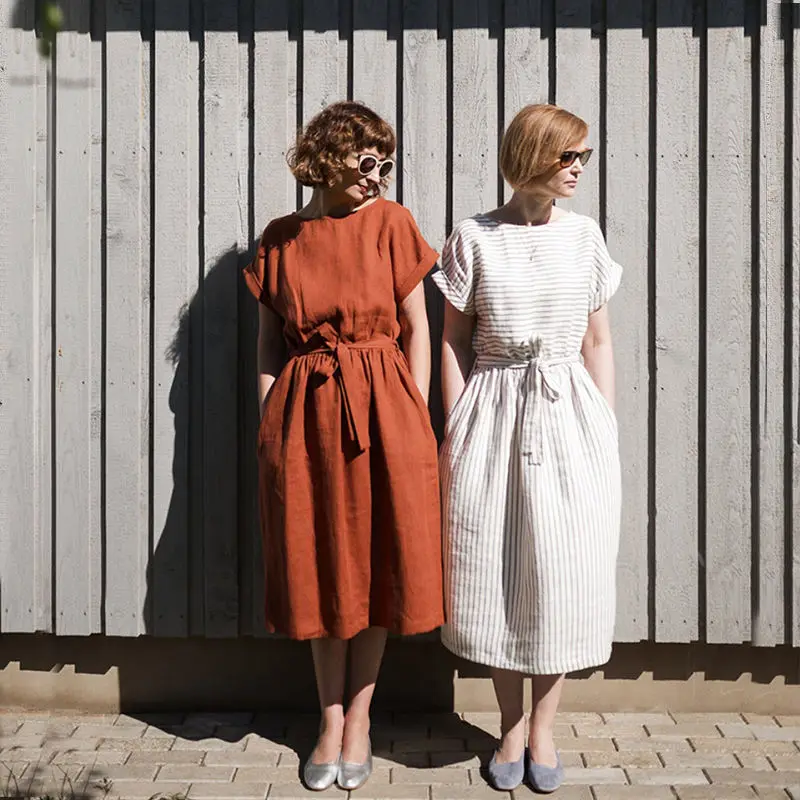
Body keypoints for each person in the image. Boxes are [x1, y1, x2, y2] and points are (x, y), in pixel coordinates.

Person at [243, 101, 443, 792]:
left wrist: (414, 410)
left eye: (386, 164)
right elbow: (268, 345)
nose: (378, 176)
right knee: (320, 563)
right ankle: (327, 719)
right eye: (367, 162)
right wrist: (270, 421)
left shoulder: (393, 224)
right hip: (305, 416)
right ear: (327, 159)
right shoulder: (281, 240)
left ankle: (360, 718)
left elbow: (418, 328)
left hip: (385, 408)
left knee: (377, 559)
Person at [433, 103, 622, 793]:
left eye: (583, 157)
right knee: (494, 573)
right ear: (531, 157)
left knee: (562, 574)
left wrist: (602, 426)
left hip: (569, 416)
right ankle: (509, 725)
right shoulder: (474, 237)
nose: (578, 169)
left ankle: (544, 728)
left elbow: (597, 341)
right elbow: (453, 339)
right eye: (567, 156)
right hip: (492, 413)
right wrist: (457, 422)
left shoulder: (585, 236)